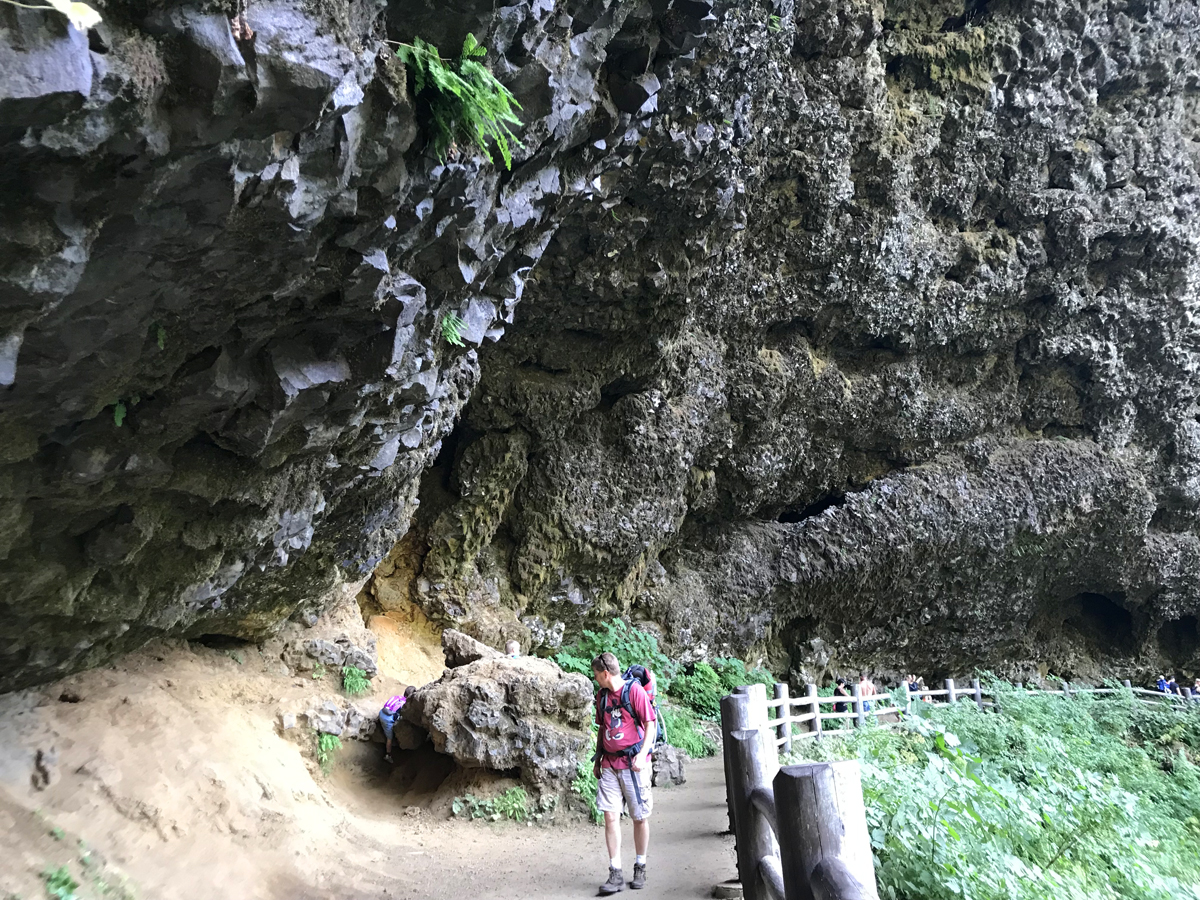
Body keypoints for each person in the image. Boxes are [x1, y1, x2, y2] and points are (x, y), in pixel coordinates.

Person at [592, 652, 655, 894]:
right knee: (610, 816)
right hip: (609, 763)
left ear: (605, 673)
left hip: (633, 763)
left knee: (639, 817)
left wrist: (642, 753)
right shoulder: (602, 696)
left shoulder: (634, 692)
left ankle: (640, 865)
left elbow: (649, 724)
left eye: (596, 674)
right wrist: (598, 758)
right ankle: (615, 872)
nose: (595, 678)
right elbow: (602, 728)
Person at [378, 685, 415, 764]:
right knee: (389, 739)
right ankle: (388, 755)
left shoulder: (397, 697)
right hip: (387, 719)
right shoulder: (404, 704)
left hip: (381, 713)